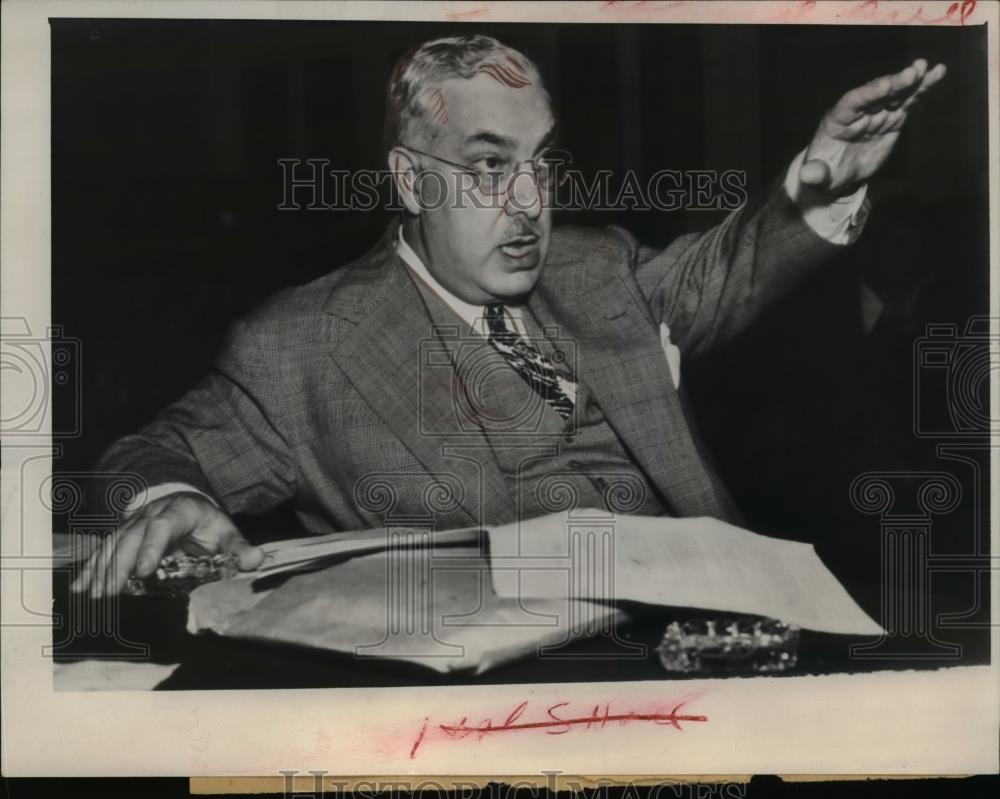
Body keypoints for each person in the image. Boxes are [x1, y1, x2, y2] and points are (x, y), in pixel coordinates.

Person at [72, 34, 946, 597]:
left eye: (541, 163)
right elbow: (147, 453)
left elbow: (734, 265)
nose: (529, 202)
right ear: (411, 180)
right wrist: (173, 498)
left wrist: (827, 177)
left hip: (716, 647)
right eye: (489, 167)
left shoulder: (598, 266)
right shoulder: (301, 345)